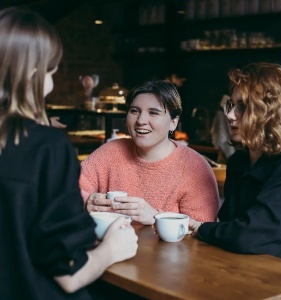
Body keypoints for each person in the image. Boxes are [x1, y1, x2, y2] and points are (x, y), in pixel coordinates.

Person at [0, 7, 138, 300]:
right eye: (52, 69)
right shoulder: (47, 147)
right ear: (34, 73)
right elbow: (69, 274)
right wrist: (112, 249)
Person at [189, 62, 281, 262]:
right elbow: (233, 228)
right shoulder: (238, 162)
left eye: (242, 107)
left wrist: (202, 228)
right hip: (242, 270)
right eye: (231, 105)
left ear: (270, 113)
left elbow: (254, 236)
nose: (230, 116)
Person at [79, 80, 219, 225]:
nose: (141, 120)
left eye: (153, 113)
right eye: (134, 111)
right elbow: (66, 191)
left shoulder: (194, 168)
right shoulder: (110, 152)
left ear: (173, 122)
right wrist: (86, 203)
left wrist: (156, 217)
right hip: (112, 245)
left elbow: (204, 231)